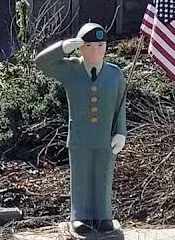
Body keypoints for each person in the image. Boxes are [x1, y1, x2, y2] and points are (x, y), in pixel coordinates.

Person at [35, 23, 126, 236]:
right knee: (81, 177)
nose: (95, 50)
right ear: (80, 48)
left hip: (106, 138)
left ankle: (103, 216)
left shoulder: (115, 74)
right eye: (89, 46)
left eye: (100, 45)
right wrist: (64, 47)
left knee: (104, 176)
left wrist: (121, 132)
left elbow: (120, 106)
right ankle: (80, 216)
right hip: (80, 138)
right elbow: (41, 62)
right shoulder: (71, 70)